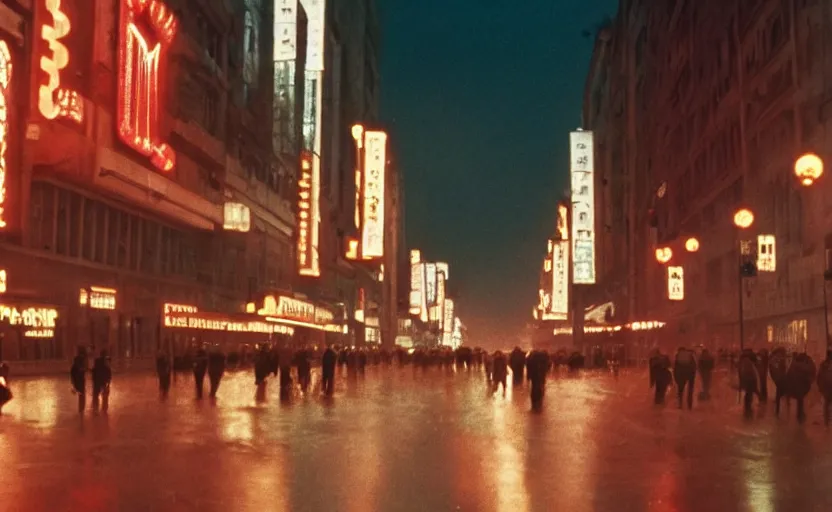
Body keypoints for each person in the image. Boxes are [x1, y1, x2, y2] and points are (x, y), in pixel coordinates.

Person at [817, 349, 832, 426]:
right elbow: (819, 376)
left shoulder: (823, 364)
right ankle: (827, 422)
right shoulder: (823, 365)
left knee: (826, 405)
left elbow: (819, 376)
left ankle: (827, 422)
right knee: (827, 404)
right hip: (827, 388)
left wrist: (820, 386)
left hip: (826, 388)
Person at [70, 347, 87, 412]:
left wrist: (73, 382)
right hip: (80, 380)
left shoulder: (75, 363)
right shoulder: (81, 360)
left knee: (81, 394)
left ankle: (81, 409)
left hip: (77, 380)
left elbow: (72, 373)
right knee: (82, 395)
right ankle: (81, 409)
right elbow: (82, 369)